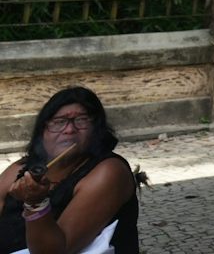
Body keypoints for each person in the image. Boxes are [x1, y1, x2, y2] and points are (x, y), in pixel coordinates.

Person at [1, 87, 140, 254]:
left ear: (96, 128)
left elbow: (56, 251)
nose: (69, 130)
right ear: (42, 130)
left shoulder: (108, 172)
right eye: (59, 122)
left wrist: (35, 204)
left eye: (81, 120)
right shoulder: (21, 168)